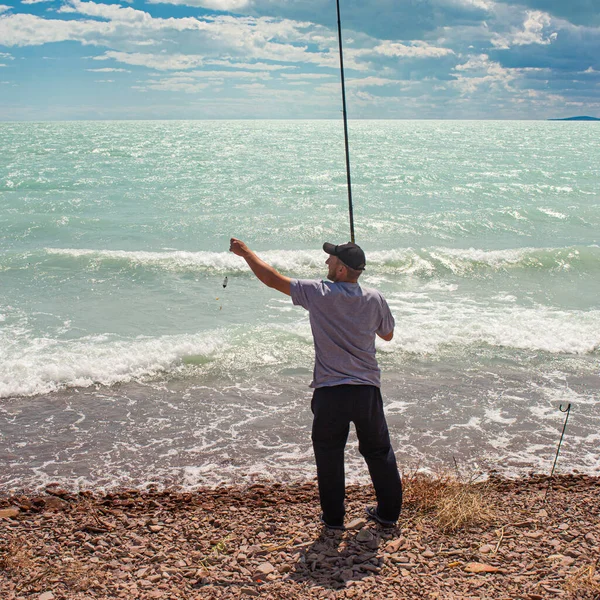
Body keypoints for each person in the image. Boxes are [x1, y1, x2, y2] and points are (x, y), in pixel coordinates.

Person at [229, 238, 402, 529]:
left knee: (329, 452)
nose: (326, 263)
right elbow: (387, 335)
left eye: (332, 260)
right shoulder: (375, 297)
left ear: (343, 270)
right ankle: (388, 514)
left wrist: (245, 253)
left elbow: (271, 279)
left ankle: (334, 519)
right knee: (378, 450)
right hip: (366, 390)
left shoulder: (319, 292)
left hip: (331, 391)